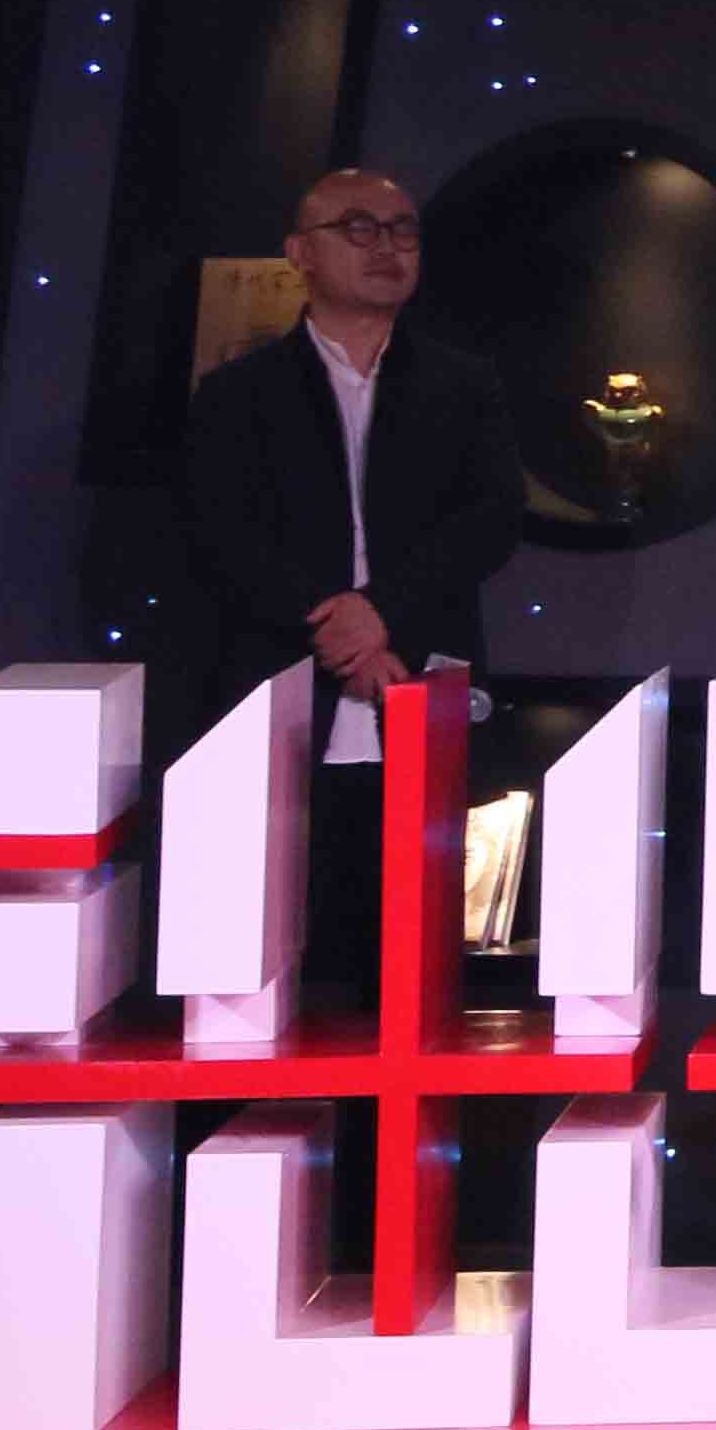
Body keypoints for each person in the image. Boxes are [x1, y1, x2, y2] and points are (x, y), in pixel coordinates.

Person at [174, 167, 525, 993]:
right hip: (283, 692)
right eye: (358, 228)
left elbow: (489, 520)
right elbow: (224, 537)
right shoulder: (238, 393)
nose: (386, 247)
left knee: (412, 959)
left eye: (402, 230)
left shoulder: (464, 385)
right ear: (300, 253)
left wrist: (381, 615)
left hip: (422, 680)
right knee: (272, 953)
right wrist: (340, 631)